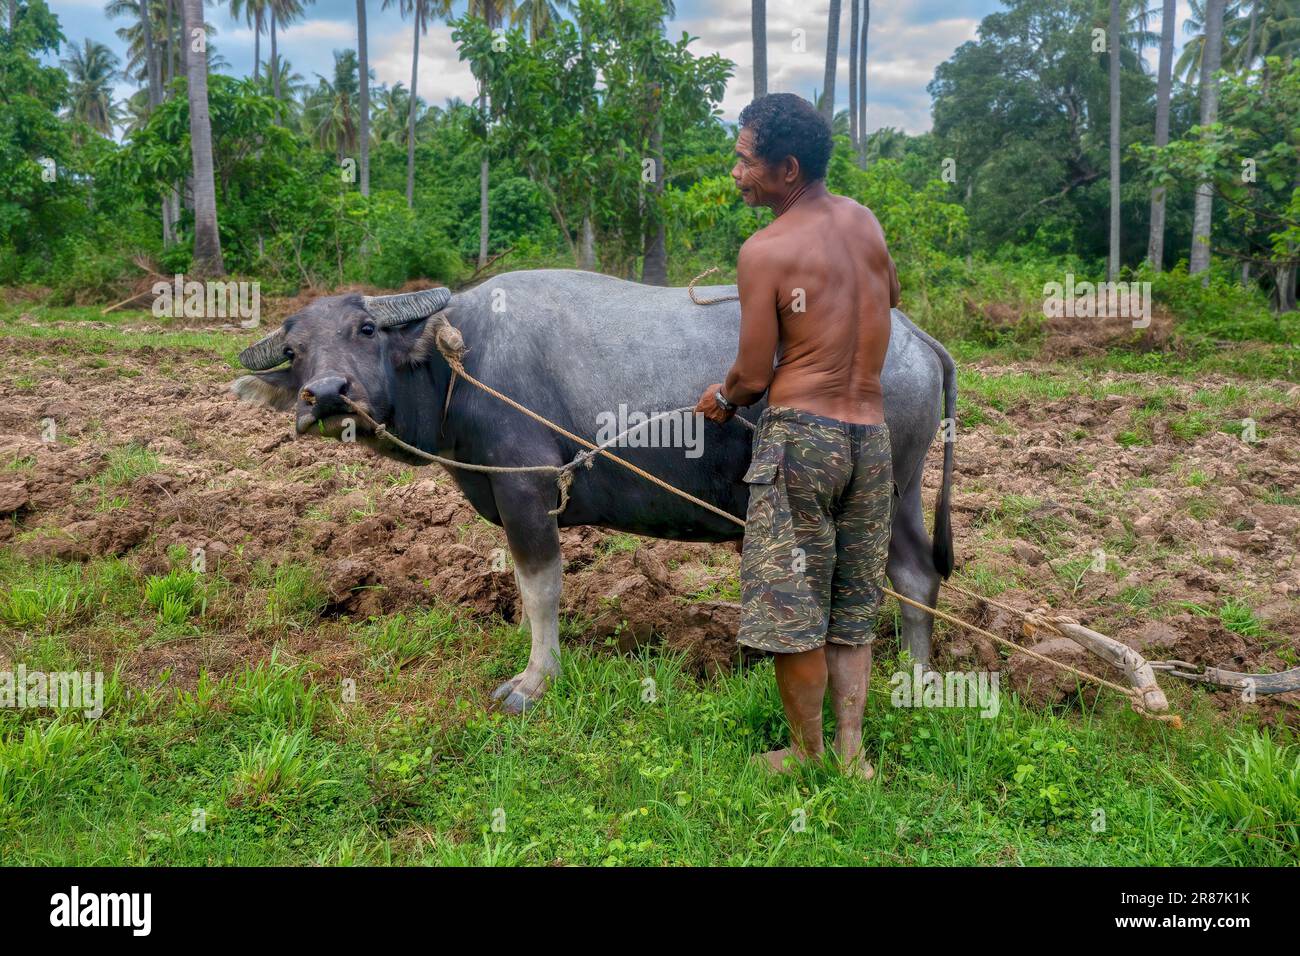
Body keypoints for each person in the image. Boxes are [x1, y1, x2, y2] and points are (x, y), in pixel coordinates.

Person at [695, 93, 900, 779]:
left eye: (745, 161)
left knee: (794, 603)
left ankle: (808, 755)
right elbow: (885, 298)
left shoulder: (765, 249)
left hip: (802, 440)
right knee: (852, 599)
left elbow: (753, 373)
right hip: (871, 438)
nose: (736, 172)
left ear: (786, 170)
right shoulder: (865, 222)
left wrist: (722, 399)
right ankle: (852, 753)